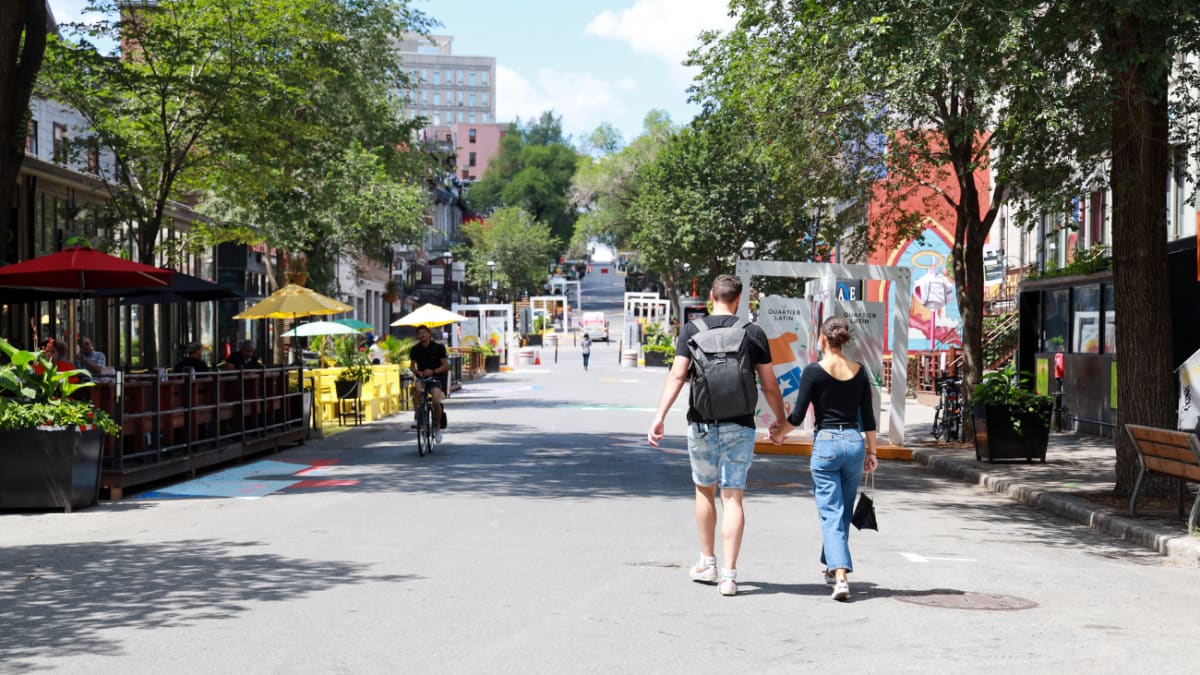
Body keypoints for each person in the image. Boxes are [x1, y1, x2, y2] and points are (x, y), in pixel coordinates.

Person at [647, 274, 787, 597]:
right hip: (741, 423)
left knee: (703, 490)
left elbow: (678, 374)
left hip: (702, 423)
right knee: (733, 495)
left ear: (712, 296)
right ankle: (729, 575)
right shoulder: (753, 333)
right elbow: (768, 384)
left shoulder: (691, 331)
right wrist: (780, 420)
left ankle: (707, 562)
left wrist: (659, 416)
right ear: (739, 300)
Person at [770, 316, 879, 602]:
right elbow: (868, 416)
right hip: (854, 444)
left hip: (827, 444)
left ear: (822, 339)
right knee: (841, 512)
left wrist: (780, 434)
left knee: (831, 512)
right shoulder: (859, 371)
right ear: (843, 340)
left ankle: (841, 576)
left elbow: (797, 416)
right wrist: (872, 452)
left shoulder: (813, 372)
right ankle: (831, 567)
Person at [409, 325, 449, 443]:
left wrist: (433, 371)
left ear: (429, 334)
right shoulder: (415, 349)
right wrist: (417, 372)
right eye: (420, 333)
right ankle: (417, 417)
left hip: (435, 378)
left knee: (436, 401)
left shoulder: (438, 347)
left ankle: (437, 429)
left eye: (424, 332)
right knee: (417, 391)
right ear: (417, 336)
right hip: (421, 379)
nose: (422, 335)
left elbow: (445, 365)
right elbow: (412, 365)